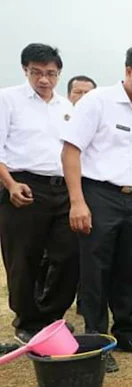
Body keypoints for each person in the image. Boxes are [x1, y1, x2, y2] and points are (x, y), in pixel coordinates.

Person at [61, 44, 132, 373]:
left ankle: (126, 333)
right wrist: (77, 201)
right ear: (128, 71)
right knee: (96, 271)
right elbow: (71, 150)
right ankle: (96, 341)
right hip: (99, 195)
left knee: (130, 268)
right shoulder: (98, 102)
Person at [0, 43, 78, 344]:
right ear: (25, 70)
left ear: (59, 74)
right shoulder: (8, 99)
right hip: (23, 185)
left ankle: (52, 316)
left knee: (69, 254)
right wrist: (10, 185)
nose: (44, 80)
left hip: (62, 189)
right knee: (23, 258)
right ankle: (27, 320)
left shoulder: (66, 108)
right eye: (36, 72)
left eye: (50, 73)